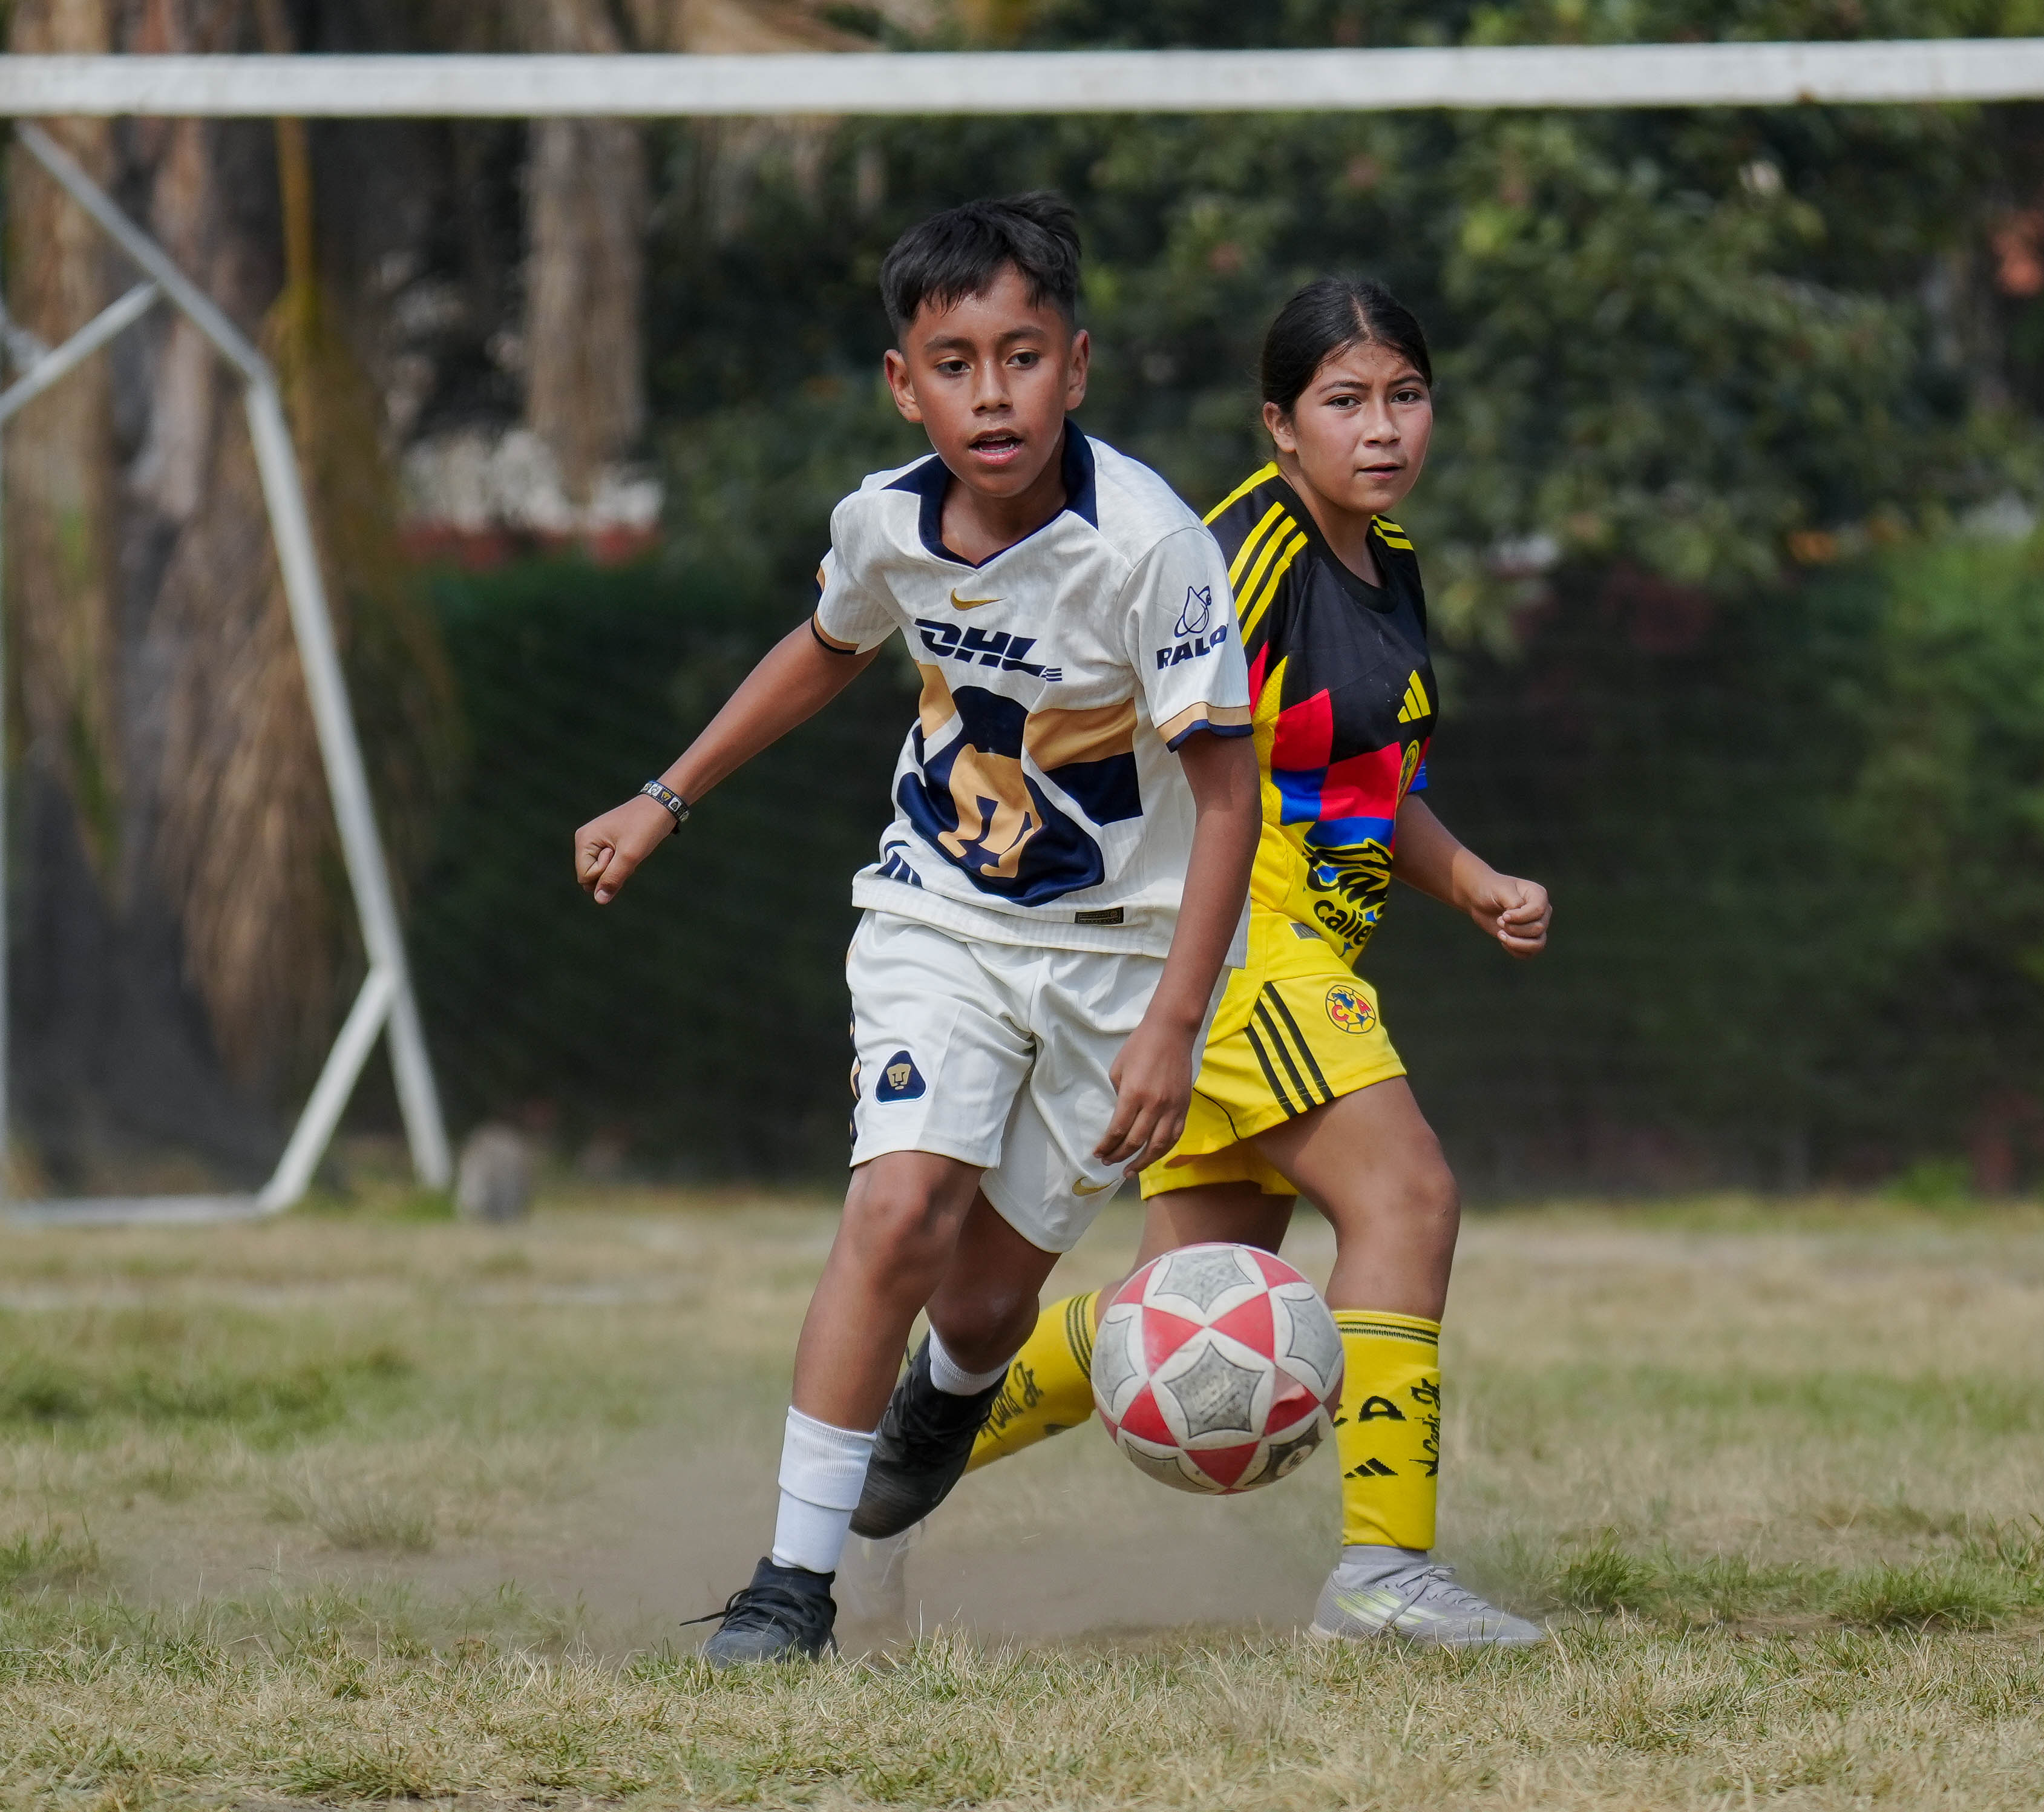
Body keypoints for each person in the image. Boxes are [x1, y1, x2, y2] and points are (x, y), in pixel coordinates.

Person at [573, 194, 1260, 1665]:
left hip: (1119, 959)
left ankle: (946, 1392)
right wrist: (663, 795)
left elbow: (1226, 800)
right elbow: (825, 649)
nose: (990, 392)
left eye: (1021, 357)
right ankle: (786, 1588)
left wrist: (1169, 1023)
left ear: (1074, 367)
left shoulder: (1150, 549)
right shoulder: (885, 521)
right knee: (894, 1214)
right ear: (906, 383)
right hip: (936, 913)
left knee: (987, 1294)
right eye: (954, 362)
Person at [847, 277, 1553, 1649]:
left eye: (1403, 395)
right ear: (1279, 426)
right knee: (1407, 1198)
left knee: (1184, 1311)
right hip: (1235, 950)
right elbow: (1123, 725)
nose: (1381, 428)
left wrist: (1469, 880)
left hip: (1275, 949)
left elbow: (1355, 777)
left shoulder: (1383, 558)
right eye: (1343, 402)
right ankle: (1382, 1579)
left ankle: (867, 1491)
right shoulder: (1238, 555)